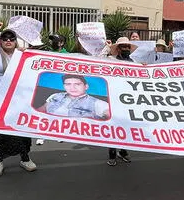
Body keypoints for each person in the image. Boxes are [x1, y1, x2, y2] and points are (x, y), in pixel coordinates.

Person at [0, 21, 36, 177]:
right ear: (0, 41)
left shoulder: (23, 54)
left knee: (21, 128)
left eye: (11, 38)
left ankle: (25, 157)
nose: (8, 41)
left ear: (16, 41)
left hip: (19, 97)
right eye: (5, 38)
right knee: (0, 128)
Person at [106, 37, 136, 166]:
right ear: (118, 49)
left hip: (127, 100)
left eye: (127, 47)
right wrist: (106, 48)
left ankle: (123, 151)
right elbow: (97, 62)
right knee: (113, 127)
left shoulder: (133, 62)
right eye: (123, 47)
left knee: (125, 127)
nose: (126, 49)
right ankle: (112, 154)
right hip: (113, 99)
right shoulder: (111, 60)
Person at [38, 74, 110, 120]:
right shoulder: (55, 96)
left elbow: (113, 119)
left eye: (77, 84)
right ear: (64, 86)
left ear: (86, 86)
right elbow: (40, 110)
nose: (72, 88)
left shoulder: (97, 103)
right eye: (68, 84)